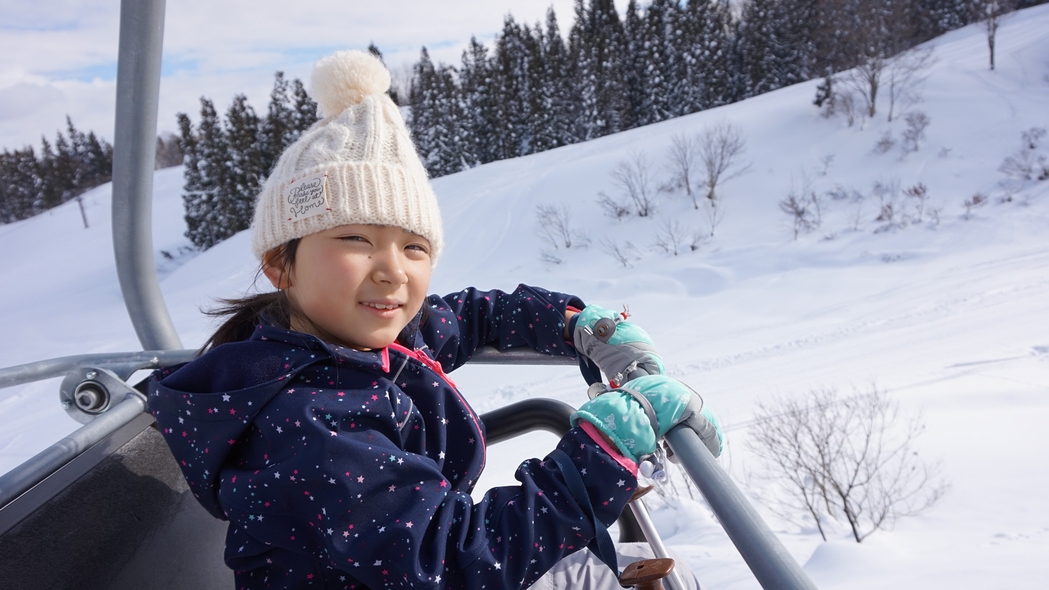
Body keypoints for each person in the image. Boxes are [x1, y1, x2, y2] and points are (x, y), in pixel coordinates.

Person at [148, 50, 722, 590]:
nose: (392, 272)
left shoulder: (357, 340)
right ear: (281, 263)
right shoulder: (308, 421)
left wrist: (579, 324)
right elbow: (446, 561)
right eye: (355, 238)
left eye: (414, 247)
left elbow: (472, 314)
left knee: (673, 575)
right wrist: (602, 448)